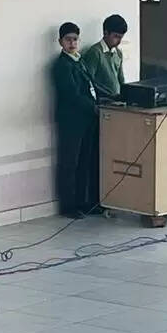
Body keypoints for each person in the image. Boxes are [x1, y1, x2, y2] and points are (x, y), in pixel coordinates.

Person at [51, 22, 100, 218]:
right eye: (68, 39)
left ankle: (84, 201)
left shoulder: (79, 61)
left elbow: (90, 86)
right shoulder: (62, 65)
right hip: (71, 120)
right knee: (70, 163)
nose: (72, 43)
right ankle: (68, 206)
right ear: (60, 41)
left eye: (75, 39)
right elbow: (71, 94)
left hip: (87, 118)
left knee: (85, 162)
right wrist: (92, 107)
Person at [80, 14, 128, 103]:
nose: (119, 41)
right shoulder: (95, 52)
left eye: (121, 37)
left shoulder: (118, 53)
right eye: (116, 36)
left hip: (117, 103)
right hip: (102, 103)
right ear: (106, 33)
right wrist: (110, 96)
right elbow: (90, 82)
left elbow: (121, 79)